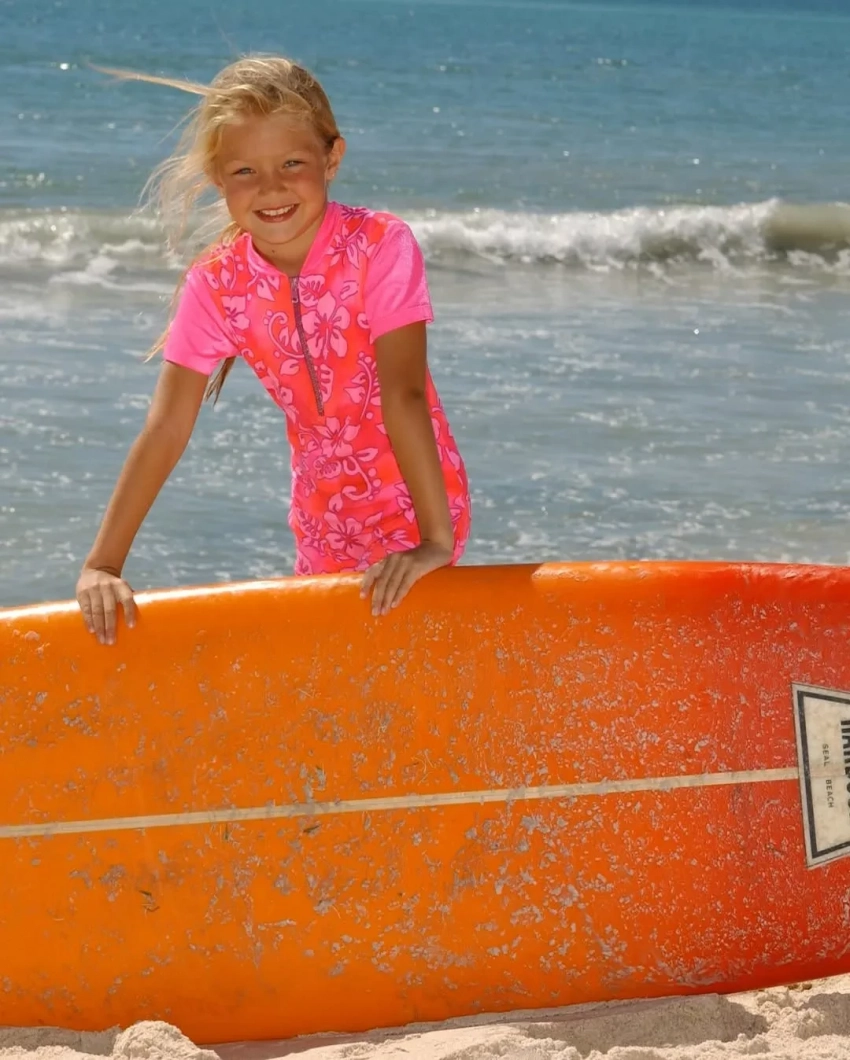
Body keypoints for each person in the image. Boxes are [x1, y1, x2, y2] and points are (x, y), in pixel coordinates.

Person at [75, 55, 471, 645]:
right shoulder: (218, 283)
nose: (272, 188)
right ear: (219, 179)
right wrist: (103, 564)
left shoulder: (379, 246)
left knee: (412, 660)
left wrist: (434, 539)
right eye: (245, 171)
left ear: (332, 158)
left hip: (418, 503)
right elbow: (166, 427)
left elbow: (405, 393)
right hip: (323, 522)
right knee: (340, 675)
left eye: (292, 163)